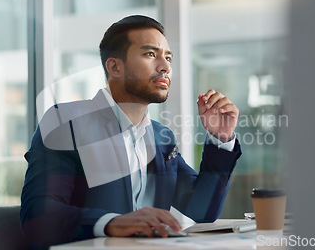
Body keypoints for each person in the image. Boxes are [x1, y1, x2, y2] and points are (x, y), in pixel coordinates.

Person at [20, 15, 242, 248]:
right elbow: (38, 216)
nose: (165, 67)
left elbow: (202, 209)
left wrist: (220, 138)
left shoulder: (161, 137)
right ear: (115, 67)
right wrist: (112, 223)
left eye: (168, 58)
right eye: (150, 54)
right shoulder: (66, 122)